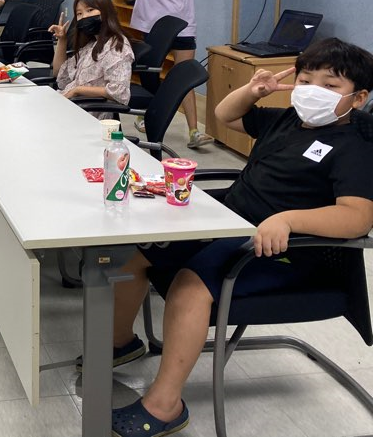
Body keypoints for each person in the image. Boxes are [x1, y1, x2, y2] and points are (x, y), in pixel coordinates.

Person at [104, 37, 373, 437]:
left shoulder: (354, 147)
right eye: (305, 80)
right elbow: (225, 115)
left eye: (330, 86)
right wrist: (252, 90)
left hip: (282, 252)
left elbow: (357, 218)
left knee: (190, 287)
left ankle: (165, 405)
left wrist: (288, 220)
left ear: (359, 98)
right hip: (233, 225)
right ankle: (121, 342)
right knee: (139, 253)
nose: (313, 91)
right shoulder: (287, 120)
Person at [69, 0, 214, 149]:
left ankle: (194, 131)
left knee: (184, 75)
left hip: (185, 23)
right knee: (150, 73)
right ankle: (145, 114)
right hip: (153, 24)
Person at [48, 0, 134, 107]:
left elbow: (120, 92)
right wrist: (62, 39)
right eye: (79, 14)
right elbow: (59, 73)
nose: (84, 17)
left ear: (105, 12)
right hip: (72, 102)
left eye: (90, 10)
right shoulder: (91, 44)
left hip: (87, 108)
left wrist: (77, 90)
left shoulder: (117, 46)